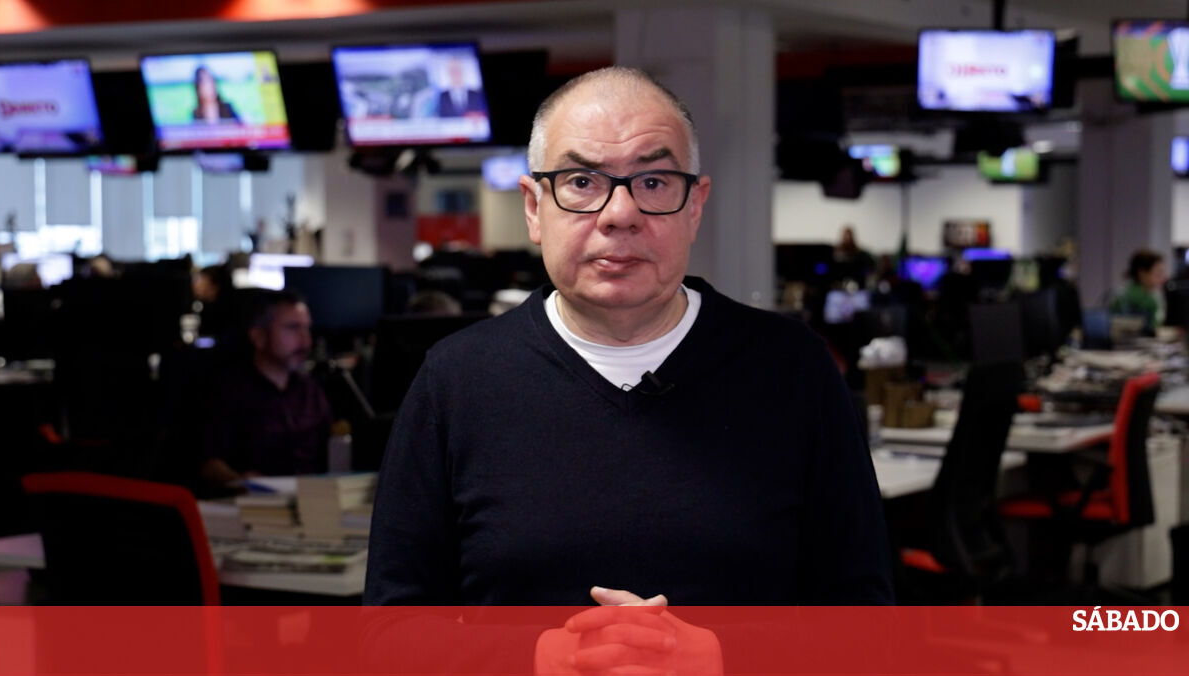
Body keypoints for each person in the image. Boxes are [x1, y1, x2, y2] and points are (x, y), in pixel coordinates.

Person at [365, 67, 892, 605]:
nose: (620, 214)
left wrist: (719, 650)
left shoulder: (792, 369)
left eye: (654, 182)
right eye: (581, 182)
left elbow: (864, 616)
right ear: (533, 208)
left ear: (695, 206)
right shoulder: (456, 381)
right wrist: (537, 650)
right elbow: (393, 626)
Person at [199, 289, 332, 491]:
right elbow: (209, 464)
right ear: (258, 336)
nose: (306, 342)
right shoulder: (229, 392)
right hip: (253, 502)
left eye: (307, 329)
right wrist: (242, 482)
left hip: (312, 497)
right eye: (292, 328)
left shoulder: (310, 392)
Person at [1110, 248, 1167, 332]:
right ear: (1142, 273)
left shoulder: (1153, 297)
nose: (1163, 278)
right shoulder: (1124, 297)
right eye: (1158, 274)